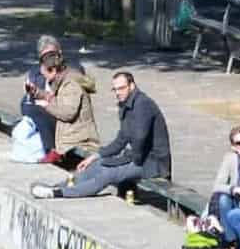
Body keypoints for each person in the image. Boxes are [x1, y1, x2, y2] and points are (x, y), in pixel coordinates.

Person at [31, 72, 169, 199]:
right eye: (115, 89)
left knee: (108, 174)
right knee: (97, 165)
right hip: (137, 158)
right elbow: (120, 141)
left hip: (153, 163)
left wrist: (123, 162)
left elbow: (140, 139)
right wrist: (95, 156)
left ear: (132, 86)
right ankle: (57, 186)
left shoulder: (142, 105)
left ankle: (57, 193)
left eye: (121, 88)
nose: (118, 93)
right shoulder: (126, 104)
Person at [30, 53, 100, 166]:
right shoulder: (64, 80)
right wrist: (38, 93)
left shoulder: (71, 85)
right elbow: (59, 100)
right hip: (72, 137)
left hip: (80, 139)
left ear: (53, 70)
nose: (44, 78)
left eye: (45, 74)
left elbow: (67, 114)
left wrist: (45, 105)